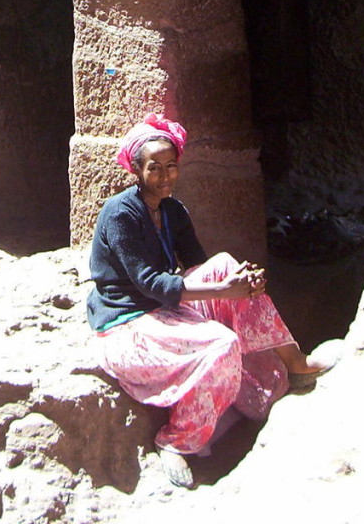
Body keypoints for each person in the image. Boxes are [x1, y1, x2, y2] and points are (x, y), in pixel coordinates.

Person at [87, 112, 335, 488]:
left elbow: (198, 266)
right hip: (129, 323)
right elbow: (149, 283)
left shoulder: (172, 210)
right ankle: (176, 441)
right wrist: (222, 293)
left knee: (224, 266)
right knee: (221, 344)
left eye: (172, 166)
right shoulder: (120, 214)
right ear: (136, 169)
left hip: (164, 307)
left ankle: (297, 362)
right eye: (155, 168)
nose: (166, 176)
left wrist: (238, 284)